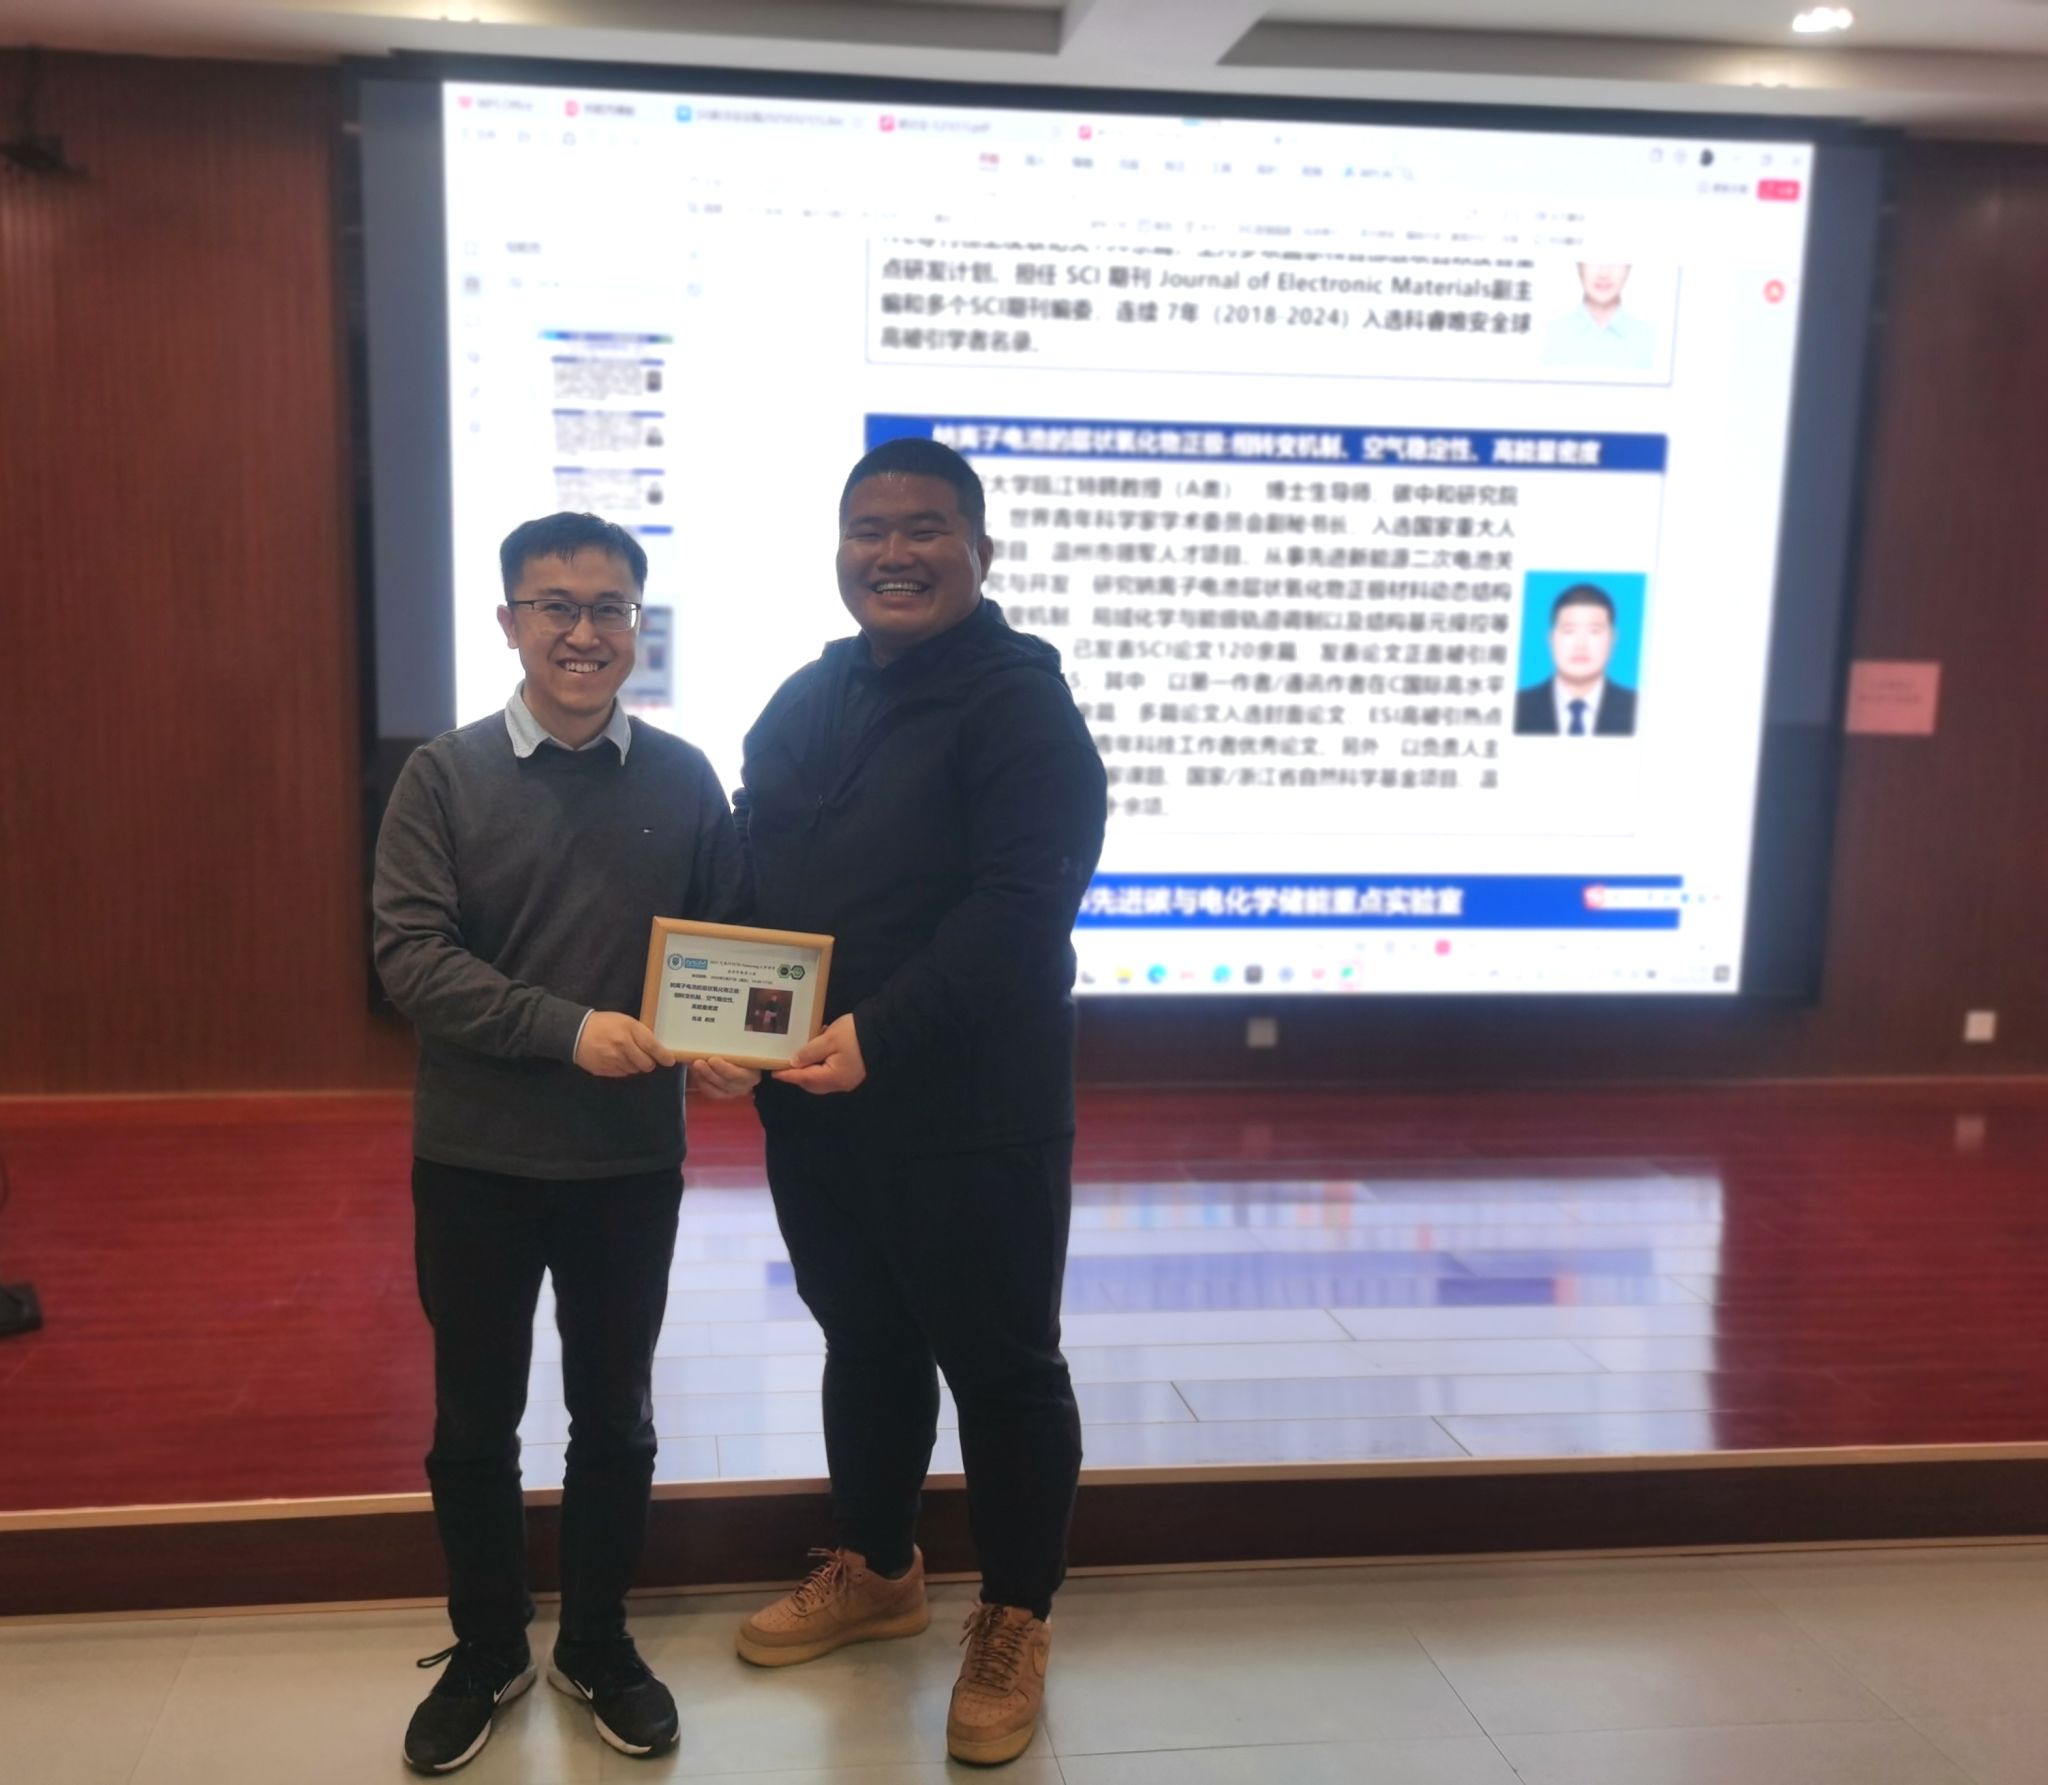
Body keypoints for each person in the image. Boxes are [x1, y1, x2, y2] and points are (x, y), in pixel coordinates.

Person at [729, 436, 1108, 1767]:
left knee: (1001, 1368)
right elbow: (749, 871)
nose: (892, 553)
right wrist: (716, 1022)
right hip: (818, 1108)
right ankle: (880, 1567)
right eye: (868, 530)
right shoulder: (803, 698)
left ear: (979, 552)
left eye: (925, 528)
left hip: (973, 1114)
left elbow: (1019, 911)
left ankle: (1014, 1614)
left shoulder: (1022, 708)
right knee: (865, 1339)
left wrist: (877, 1037)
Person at [373, 511, 746, 1774]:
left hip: (627, 1165)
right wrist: (567, 1029)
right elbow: (411, 960)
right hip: (474, 1160)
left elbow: (725, 949)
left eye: (608, 610)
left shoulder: (684, 779)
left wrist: (734, 1049)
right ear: (508, 622)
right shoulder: (443, 776)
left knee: (616, 1413)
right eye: (555, 607)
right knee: (472, 1421)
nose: (583, 633)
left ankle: (596, 1641)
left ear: (636, 625)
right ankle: (488, 1648)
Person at [1514, 581, 1640, 737]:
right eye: (1569, 631)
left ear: (1612, 639)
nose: (1580, 644)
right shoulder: (1517, 707)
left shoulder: (1639, 708)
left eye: (1594, 631)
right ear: (1551, 638)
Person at [1542, 261, 1656, 370]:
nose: (1603, 274)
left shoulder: (1651, 340)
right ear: (1579, 266)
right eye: (1593, 259)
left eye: (1615, 259)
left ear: (1628, 267)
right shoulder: (1548, 335)